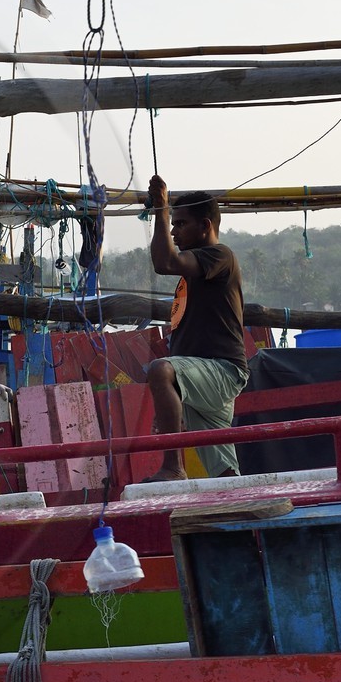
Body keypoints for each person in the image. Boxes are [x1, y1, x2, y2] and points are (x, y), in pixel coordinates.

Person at [142, 176, 248, 480]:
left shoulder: (220, 256)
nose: (174, 231)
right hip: (202, 376)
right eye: (173, 224)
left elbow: (165, 262)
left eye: (180, 224)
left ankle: (173, 468)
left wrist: (161, 207)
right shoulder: (194, 272)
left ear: (205, 226)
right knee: (224, 471)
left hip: (221, 371)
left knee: (160, 370)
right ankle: (241, 517)